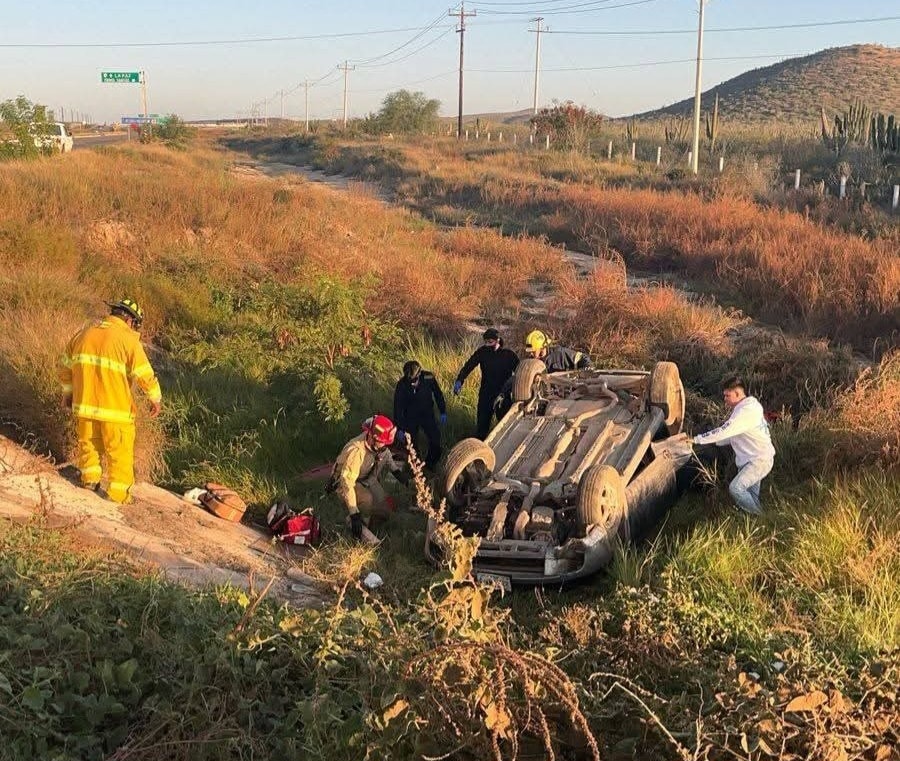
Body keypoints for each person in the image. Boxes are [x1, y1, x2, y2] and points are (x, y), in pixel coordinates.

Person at [59, 298, 162, 504]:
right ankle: (118, 495)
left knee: (88, 444)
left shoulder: (83, 335)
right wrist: (155, 398)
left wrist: (68, 394)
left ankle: (89, 481)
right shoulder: (127, 340)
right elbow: (144, 373)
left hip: (85, 406)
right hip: (115, 410)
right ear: (130, 320)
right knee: (119, 453)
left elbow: (64, 368)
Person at [689, 376, 776, 516]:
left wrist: (697, 440)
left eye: (727, 395)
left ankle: (761, 518)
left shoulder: (745, 411)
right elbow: (733, 435)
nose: (724, 399)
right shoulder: (747, 407)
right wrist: (714, 442)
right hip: (752, 460)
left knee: (736, 489)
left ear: (737, 393)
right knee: (751, 498)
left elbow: (725, 430)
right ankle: (761, 523)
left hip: (758, 460)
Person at [329, 414, 406, 540]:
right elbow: (347, 482)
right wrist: (354, 514)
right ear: (372, 437)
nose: (385, 446)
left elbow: (386, 457)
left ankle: (368, 516)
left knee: (385, 508)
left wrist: (398, 473)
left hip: (366, 479)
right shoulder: (357, 452)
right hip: (345, 483)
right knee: (367, 499)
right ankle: (360, 528)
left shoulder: (379, 446)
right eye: (383, 442)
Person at [453, 328, 519, 440]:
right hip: (485, 395)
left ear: (497, 340)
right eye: (486, 341)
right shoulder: (482, 352)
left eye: (490, 342)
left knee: (504, 427)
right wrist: (460, 380)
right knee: (482, 429)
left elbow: (519, 373)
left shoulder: (509, 355)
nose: (487, 344)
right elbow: (469, 365)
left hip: (503, 396)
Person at [393, 360, 446, 470]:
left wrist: (442, 411)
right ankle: (416, 467)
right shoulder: (402, 385)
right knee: (411, 444)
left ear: (420, 374)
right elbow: (398, 408)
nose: (412, 383)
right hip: (411, 417)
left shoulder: (428, 378)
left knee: (435, 439)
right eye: (410, 381)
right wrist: (400, 428)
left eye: (415, 380)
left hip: (427, 414)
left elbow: (438, 394)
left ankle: (430, 464)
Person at [523, 330, 592, 373]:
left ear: (542, 348)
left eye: (533, 351)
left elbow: (582, 358)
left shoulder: (560, 354)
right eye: (529, 352)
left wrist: (587, 367)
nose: (531, 354)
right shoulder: (530, 362)